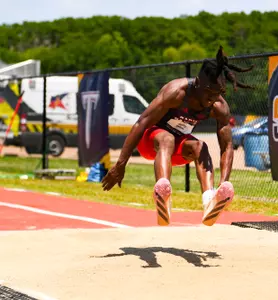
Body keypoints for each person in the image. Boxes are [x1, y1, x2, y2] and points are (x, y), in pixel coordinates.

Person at [101, 46, 254, 226]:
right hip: (151, 141)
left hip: (177, 147)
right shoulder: (176, 93)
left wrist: (223, 185)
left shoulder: (218, 106)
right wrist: (121, 164)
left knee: (201, 147)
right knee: (167, 138)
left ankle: (209, 200)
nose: (212, 100)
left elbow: (227, 146)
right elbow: (141, 123)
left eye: (217, 94)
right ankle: (163, 195)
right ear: (197, 83)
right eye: (209, 93)